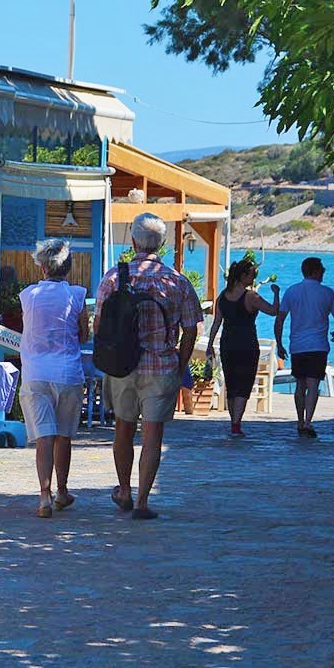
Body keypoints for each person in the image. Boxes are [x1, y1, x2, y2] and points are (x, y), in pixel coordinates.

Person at [95, 213, 203, 520]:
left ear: (132, 242)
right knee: (153, 436)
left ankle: (124, 489)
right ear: (163, 244)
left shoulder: (114, 278)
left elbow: (99, 324)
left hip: (122, 365)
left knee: (123, 429)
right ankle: (143, 501)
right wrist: (180, 362)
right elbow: (192, 329)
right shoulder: (176, 281)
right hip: (161, 365)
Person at [18, 239, 90, 518]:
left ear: (43, 267)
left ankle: (44, 497)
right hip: (67, 373)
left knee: (43, 438)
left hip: (35, 372)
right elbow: (84, 334)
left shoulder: (28, 295)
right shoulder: (77, 295)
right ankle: (62, 490)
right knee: (63, 436)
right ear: (68, 267)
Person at [205, 259, 280, 437]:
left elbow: (216, 323)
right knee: (244, 383)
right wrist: (276, 293)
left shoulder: (223, 296)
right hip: (246, 343)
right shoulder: (251, 296)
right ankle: (236, 424)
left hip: (228, 343)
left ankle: (234, 422)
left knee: (232, 383)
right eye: (252, 275)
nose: (254, 278)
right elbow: (273, 310)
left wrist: (210, 345)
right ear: (243, 276)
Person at [275, 257, 334, 438]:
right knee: (313, 384)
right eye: (321, 269)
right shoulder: (327, 293)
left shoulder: (292, 291)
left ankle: (299, 421)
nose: (323, 272)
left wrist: (280, 343)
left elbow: (280, 319)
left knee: (300, 384)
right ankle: (308, 422)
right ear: (314, 271)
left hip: (297, 345)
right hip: (318, 346)